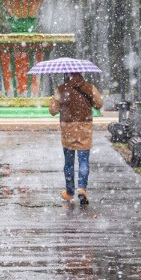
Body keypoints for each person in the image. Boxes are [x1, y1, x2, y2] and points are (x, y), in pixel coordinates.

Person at [49, 72, 104, 205]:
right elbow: (99, 104)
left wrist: (61, 103)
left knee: (69, 163)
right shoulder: (89, 88)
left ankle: (69, 192)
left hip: (68, 128)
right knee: (83, 160)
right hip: (84, 127)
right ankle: (82, 189)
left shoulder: (61, 89)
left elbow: (53, 110)